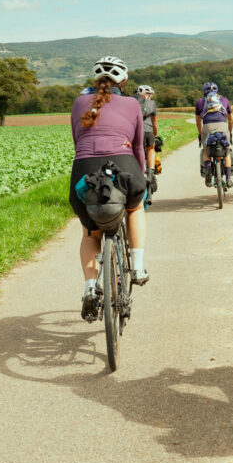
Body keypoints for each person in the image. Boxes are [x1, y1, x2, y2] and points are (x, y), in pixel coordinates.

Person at [70, 56, 150, 321]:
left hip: (84, 168)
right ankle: (137, 268)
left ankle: (90, 288)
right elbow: (139, 146)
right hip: (124, 163)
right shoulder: (132, 103)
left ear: (95, 81)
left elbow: (77, 143)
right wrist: (142, 181)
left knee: (90, 234)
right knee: (135, 206)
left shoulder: (80, 102)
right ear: (123, 81)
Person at [194, 82, 233, 187]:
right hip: (223, 126)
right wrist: (229, 132)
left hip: (207, 126)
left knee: (205, 150)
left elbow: (198, 122)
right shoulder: (224, 100)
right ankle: (229, 178)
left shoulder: (199, 102)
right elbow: (231, 120)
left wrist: (200, 134)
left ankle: (208, 171)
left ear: (204, 91)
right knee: (227, 151)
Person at [134, 84, 159, 187]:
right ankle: (151, 171)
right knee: (151, 149)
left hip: (135, 131)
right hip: (148, 131)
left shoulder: (132, 103)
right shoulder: (151, 103)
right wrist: (155, 134)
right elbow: (154, 122)